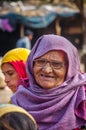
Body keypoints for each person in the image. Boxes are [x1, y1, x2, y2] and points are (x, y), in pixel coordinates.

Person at [11, 34, 86, 130]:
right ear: (31, 63)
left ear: (70, 68)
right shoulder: (19, 99)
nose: (46, 70)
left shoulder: (81, 98)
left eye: (56, 64)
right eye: (40, 61)